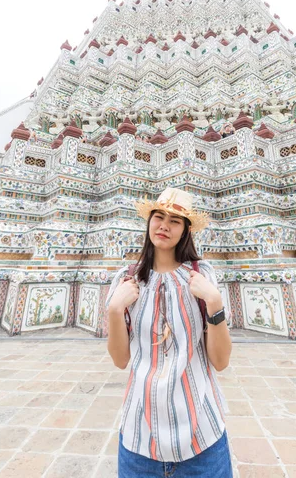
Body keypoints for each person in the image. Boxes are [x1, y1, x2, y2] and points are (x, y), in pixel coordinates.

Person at [106, 187, 233, 478]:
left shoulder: (203, 278)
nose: (164, 225)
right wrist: (114, 310)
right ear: (148, 221)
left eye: (175, 221)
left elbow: (221, 361)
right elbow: (120, 359)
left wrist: (213, 301)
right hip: (140, 437)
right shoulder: (127, 280)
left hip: (202, 436)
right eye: (158, 216)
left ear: (186, 231)